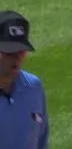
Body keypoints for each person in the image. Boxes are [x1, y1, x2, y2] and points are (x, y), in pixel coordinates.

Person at [0, 10, 49, 149]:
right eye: (9, 51)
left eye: (21, 51)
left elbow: (41, 142)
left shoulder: (33, 87)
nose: (16, 57)